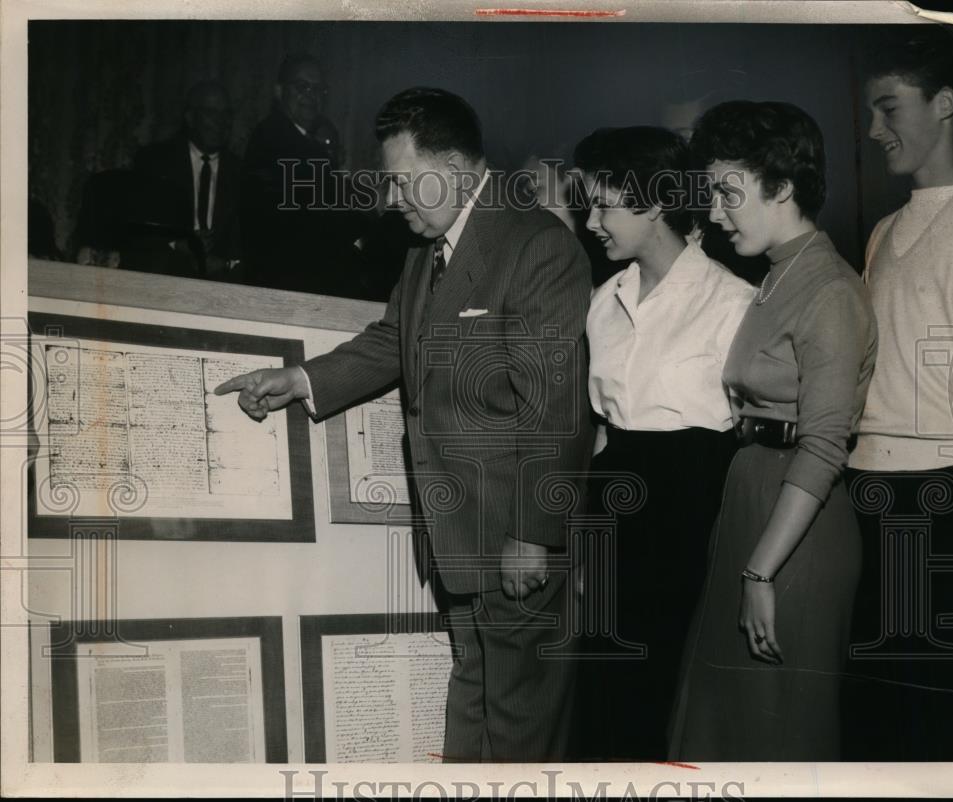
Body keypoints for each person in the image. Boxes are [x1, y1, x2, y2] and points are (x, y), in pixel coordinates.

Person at [216, 87, 593, 762]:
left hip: (513, 534)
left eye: (398, 180)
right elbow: (396, 338)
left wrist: (532, 535)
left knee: (520, 729)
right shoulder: (428, 249)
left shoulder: (537, 246)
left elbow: (556, 407)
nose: (391, 200)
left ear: (448, 170)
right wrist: (299, 379)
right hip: (458, 533)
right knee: (474, 702)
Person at [667, 101, 877, 761]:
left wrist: (760, 573)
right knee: (724, 717)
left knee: (778, 724)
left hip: (797, 524)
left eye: (730, 194)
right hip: (752, 499)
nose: (717, 214)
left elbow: (821, 446)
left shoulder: (830, 290)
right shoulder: (777, 275)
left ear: (782, 186)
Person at [571, 126, 753, 761]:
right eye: (586, 204)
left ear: (653, 202)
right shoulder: (602, 301)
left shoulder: (735, 302)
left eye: (603, 204)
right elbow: (600, 427)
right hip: (614, 493)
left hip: (693, 502)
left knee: (668, 687)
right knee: (604, 679)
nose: (590, 220)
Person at [843, 28, 953, 761]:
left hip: (940, 497)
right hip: (873, 491)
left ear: (947, 103)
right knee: (880, 708)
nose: (872, 130)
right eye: (869, 111)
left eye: (889, 109)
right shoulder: (886, 229)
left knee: (933, 716)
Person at [241, 53, 367, 295]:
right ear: (279, 92)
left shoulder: (287, 137)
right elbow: (322, 216)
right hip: (291, 281)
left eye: (319, 89)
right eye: (302, 87)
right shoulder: (278, 140)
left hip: (290, 277)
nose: (312, 95)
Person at [133, 80, 243, 281]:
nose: (221, 122)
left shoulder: (243, 174)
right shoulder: (154, 162)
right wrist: (177, 244)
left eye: (226, 114)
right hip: (163, 278)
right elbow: (137, 228)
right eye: (211, 113)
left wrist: (226, 263)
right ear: (190, 117)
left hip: (223, 286)